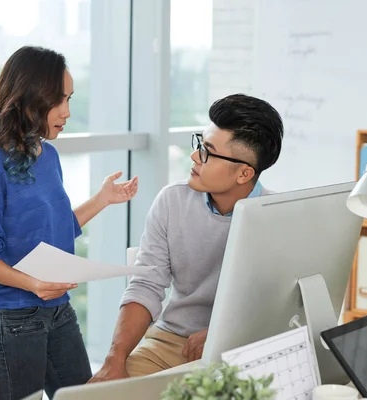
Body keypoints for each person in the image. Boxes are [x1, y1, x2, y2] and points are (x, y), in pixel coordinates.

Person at [0, 46, 138, 400]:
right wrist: (32, 283)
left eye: (69, 98)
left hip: (58, 310)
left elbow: (56, 227)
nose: (66, 112)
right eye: (58, 100)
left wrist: (103, 199)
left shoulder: (47, 155)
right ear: (28, 98)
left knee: (85, 397)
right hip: (12, 319)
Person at [89, 93, 283, 383]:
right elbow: (146, 286)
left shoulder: (278, 216)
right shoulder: (172, 201)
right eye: (199, 144)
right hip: (169, 342)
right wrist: (114, 360)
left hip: (243, 347)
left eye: (207, 151)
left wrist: (222, 332)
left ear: (244, 173)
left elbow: (279, 304)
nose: (195, 157)